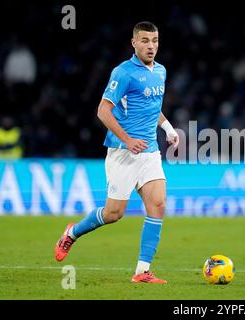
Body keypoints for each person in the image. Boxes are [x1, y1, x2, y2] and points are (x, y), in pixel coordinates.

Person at [54, 21, 179, 284]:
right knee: (114, 214)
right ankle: (72, 232)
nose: (151, 46)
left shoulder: (160, 71)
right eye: (145, 40)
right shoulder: (123, 73)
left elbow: (152, 107)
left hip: (150, 152)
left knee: (157, 205)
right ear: (134, 43)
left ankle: (141, 271)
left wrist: (167, 128)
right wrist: (128, 139)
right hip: (123, 152)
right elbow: (102, 111)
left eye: (155, 40)